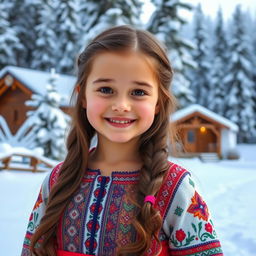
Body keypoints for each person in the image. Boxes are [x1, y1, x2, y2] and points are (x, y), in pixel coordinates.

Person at [21, 25, 223, 256]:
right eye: (106, 89)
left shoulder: (176, 187)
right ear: (83, 95)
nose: (121, 105)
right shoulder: (58, 181)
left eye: (138, 92)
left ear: (158, 103)